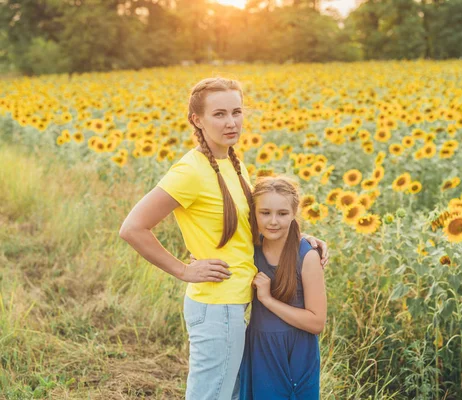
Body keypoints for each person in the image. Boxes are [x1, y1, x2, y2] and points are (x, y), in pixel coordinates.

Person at [119, 77, 327, 400]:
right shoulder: (191, 170)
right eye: (219, 114)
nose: (231, 122)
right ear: (197, 120)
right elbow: (132, 228)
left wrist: (302, 241)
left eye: (236, 112)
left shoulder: (232, 163)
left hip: (233, 304)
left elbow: (249, 229)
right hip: (217, 306)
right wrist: (184, 271)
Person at [240, 176, 327, 400]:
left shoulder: (306, 256)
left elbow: (317, 323)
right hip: (260, 349)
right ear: (254, 212)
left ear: (294, 213)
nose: (273, 221)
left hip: (295, 354)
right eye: (265, 213)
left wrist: (268, 300)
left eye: (282, 213)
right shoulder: (249, 248)